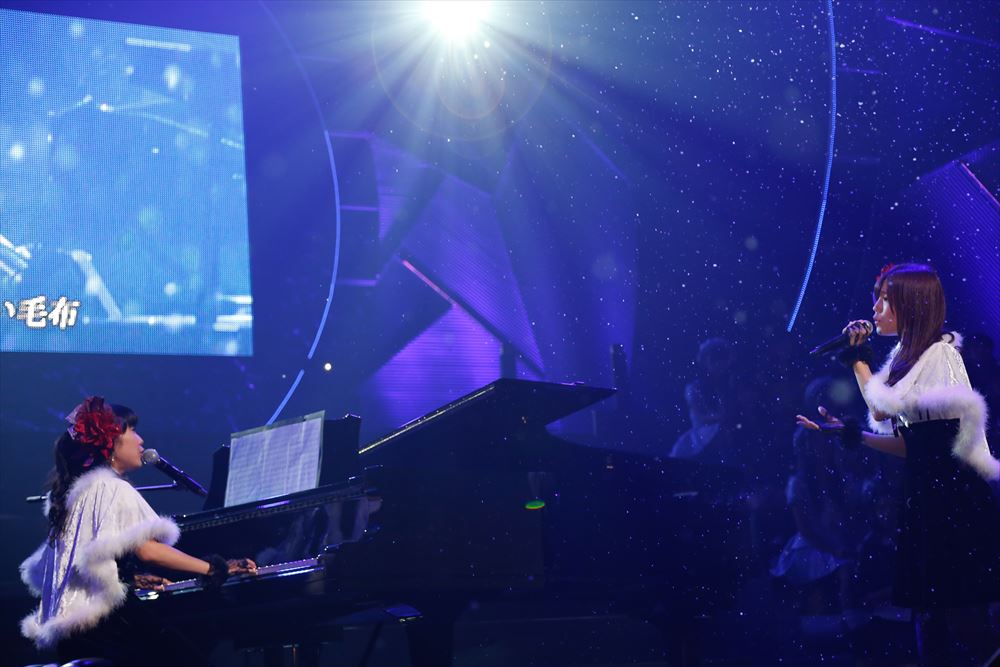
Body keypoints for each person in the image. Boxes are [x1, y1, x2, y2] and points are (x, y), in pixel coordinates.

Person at [796, 263, 1000, 665]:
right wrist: (850, 433)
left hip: (952, 503)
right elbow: (909, 440)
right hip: (928, 497)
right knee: (930, 616)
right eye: (876, 298)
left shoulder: (940, 355)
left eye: (885, 299)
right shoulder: (908, 358)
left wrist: (857, 359)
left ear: (912, 304)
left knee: (957, 616)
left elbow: (915, 432)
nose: (874, 308)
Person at [19, 395, 257, 664]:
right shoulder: (112, 488)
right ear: (111, 442)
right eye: (132, 430)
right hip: (105, 626)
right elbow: (148, 551)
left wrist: (130, 579)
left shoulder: (76, 494)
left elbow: (78, 566)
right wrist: (214, 568)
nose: (140, 440)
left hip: (73, 634)